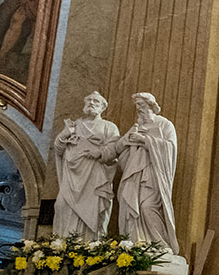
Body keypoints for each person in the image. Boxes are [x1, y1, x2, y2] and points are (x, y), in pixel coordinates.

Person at [116, 92, 180, 253]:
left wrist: (144, 140)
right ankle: (137, 244)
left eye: (142, 105)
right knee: (132, 207)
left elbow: (170, 148)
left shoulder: (165, 124)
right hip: (134, 174)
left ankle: (161, 246)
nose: (139, 109)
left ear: (151, 106)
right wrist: (129, 138)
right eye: (137, 106)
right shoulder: (136, 126)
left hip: (153, 174)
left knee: (147, 207)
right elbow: (118, 148)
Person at [53, 92, 121, 240]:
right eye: (89, 100)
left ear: (103, 107)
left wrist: (100, 152)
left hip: (95, 177)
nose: (91, 103)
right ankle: (61, 245)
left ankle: (88, 246)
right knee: (61, 205)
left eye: (96, 101)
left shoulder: (109, 127)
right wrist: (64, 134)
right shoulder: (74, 125)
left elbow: (115, 149)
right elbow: (58, 149)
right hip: (72, 176)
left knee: (92, 211)